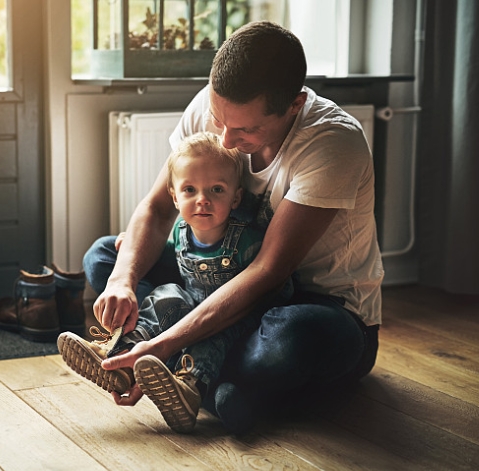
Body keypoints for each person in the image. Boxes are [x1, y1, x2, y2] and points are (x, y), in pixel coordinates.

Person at [82, 21, 383, 434]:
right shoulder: (213, 105)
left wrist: (166, 342)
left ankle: (173, 363)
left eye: (245, 129)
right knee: (105, 256)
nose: (224, 138)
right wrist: (122, 281)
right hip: (211, 278)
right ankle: (209, 380)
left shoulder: (333, 142)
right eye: (219, 118)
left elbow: (267, 272)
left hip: (311, 306)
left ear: (295, 104)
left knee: (289, 339)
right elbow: (157, 208)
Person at [58, 131, 292, 433]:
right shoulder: (181, 230)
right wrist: (132, 244)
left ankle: (188, 386)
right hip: (190, 304)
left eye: (217, 190)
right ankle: (121, 357)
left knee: (212, 338)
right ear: (174, 196)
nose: (202, 200)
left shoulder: (247, 238)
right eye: (190, 190)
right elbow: (172, 254)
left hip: (232, 316)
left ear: (236, 197)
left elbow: (272, 285)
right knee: (167, 294)